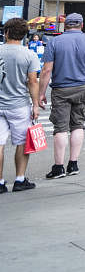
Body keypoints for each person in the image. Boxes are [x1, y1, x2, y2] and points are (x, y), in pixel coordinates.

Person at [37, 13, 85, 179]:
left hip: (61, 90)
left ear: (65, 26)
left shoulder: (54, 42)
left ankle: (58, 167)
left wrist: (41, 93)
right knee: (78, 125)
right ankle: (73, 164)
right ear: (81, 25)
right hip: (83, 88)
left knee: (60, 128)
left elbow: (46, 70)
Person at [0, 17, 40, 193]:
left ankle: (0, 182)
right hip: (19, 105)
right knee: (22, 143)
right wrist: (36, 104)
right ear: (24, 35)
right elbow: (32, 81)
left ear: (6, 32)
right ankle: (20, 179)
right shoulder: (29, 54)